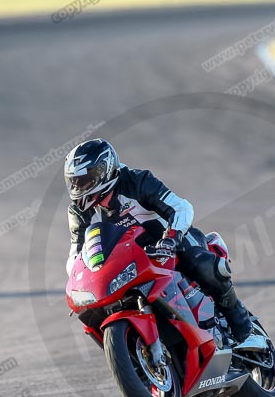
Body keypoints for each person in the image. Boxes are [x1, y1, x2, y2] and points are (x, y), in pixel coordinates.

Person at [64, 138, 252, 343]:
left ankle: (237, 316)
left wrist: (171, 238)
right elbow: (77, 252)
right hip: (128, 263)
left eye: (82, 180)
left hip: (170, 244)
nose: (77, 188)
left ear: (103, 171)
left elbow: (181, 207)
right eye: (73, 182)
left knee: (201, 263)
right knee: (92, 311)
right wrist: (77, 278)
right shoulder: (79, 212)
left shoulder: (136, 181)